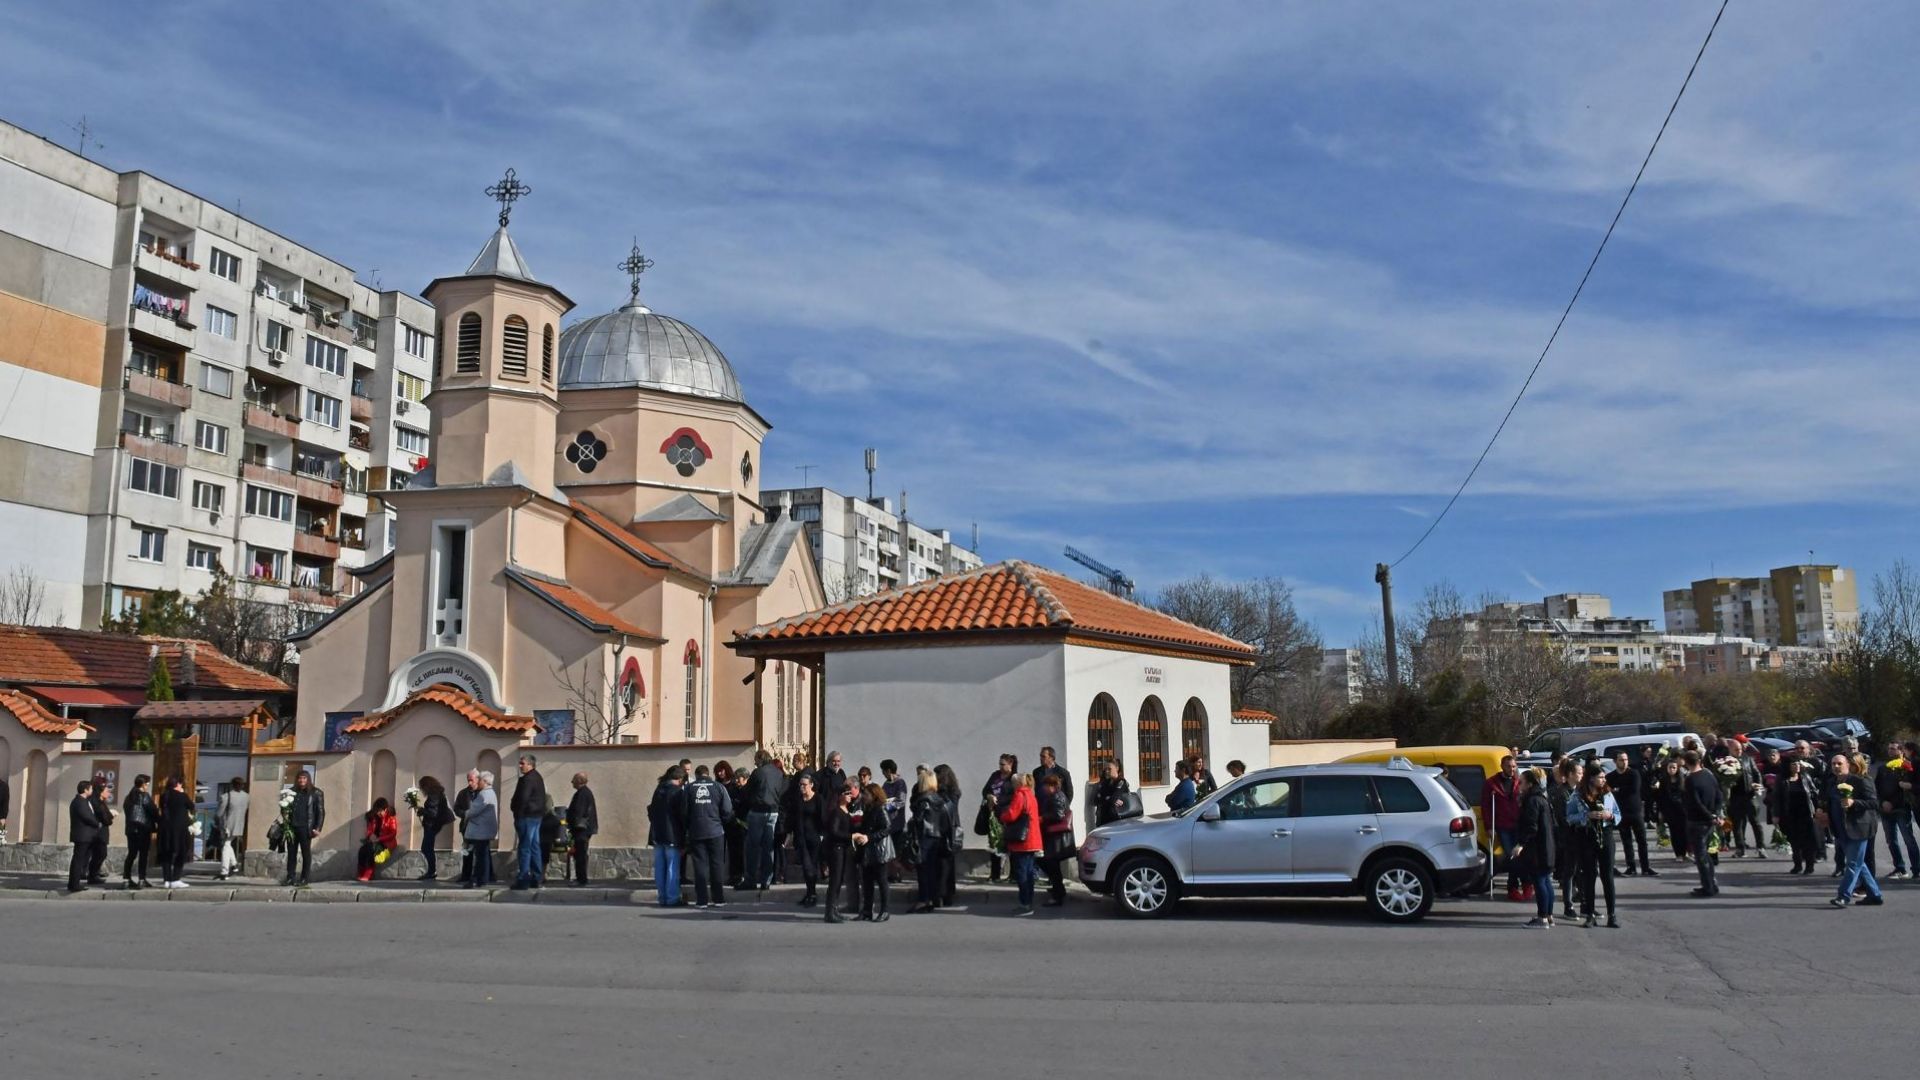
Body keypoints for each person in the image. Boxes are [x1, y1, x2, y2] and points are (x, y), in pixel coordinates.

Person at [1827, 754, 1884, 908]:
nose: (1836, 767)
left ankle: (1843, 896)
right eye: (1833, 764)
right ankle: (1875, 895)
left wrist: (1854, 802)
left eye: (1839, 763)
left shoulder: (1861, 781)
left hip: (1859, 828)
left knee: (1852, 864)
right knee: (1860, 864)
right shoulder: (1832, 782)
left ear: (1848, 765)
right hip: (1840, 830)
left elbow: (1873, 803)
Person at [1568, 770, 1620, 928]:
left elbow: (1618, 814)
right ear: (1591, 779)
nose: (1603, 780)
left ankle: (1612, 915)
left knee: (1607, 876)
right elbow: (1569, 817)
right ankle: (1589, 914)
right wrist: (1587, 815)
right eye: (1600, 777)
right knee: (1589, 877)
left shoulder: (1608, 794)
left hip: (1606, 836)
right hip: (1587, 837)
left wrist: (1610, 816)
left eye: (1604, 777)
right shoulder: (1577, 796)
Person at [680, 764, 732, 909]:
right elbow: (727, 810)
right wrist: (721, 822)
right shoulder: (719, 787)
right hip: (716, 831)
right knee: (716, 865)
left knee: (700, 865)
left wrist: (689, 827)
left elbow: (683, 812)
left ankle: (702, 900)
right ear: (708, 774)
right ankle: (718, 899)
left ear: (696, 775)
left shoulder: (690, 788)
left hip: (697, 832)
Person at [1511, 769, 1556, 928]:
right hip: (1547, 846)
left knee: (1540, 881)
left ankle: (1542, 917)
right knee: (1546, 881)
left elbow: (1531, 826)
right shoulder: (1542, 798)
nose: (1519, 784)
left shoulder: (1532, 801)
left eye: (1521, 781)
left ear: (1530, 783)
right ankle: (1549, 915)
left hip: (1537, 849)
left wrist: (1520, 844)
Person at [910, 770, 955, 913]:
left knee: (922, 870)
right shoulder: (940, 799)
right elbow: (945, 821)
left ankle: (924, 900)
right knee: (932, 870)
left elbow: (918, 820)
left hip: (924, 837)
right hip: (936, 838)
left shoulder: (923, 800)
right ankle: (931, 898)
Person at [999, 772, 1043, 916]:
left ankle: (1025, 904)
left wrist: (1002, 815)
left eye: (1013, 782)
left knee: (1022, 873)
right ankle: (1028, 902)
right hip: (1032, 839)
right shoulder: (1031, 795)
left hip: (1022, 841)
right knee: (1029, 873)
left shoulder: (1019, 795)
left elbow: (1012, 814)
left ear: (1018, 783)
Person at [1482, 755, 1525, 900]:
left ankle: (1523, 883)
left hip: (1518, 825)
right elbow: (1486, 806)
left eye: (1514, 766)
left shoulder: (1519, 782)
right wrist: (1489, 826)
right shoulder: (1491, 783)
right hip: (1502, 825)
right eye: (1509, 766)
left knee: (1519, 856)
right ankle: (1512, 887)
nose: (1512, 769)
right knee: (1512, 855)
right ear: (1502, 766)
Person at [744, 750, 787, 893]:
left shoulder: (758, 772)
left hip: (758, 811)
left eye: (756, 759)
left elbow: (748, 791)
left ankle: (750, 879)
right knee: (768, 849)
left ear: (760, 759)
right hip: (773, 811)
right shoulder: (778, 773)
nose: (755, 762)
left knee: (752, 848)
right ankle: (766, 880)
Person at [1873, 742, 1917, 880]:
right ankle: (1899, 867)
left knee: (1908, 839)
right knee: (1891, 840)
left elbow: (1906, 791)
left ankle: (1916, 868)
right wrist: (1882, 802)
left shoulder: (1908, 766)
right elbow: (1877, 788)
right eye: (1889, 749)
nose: (1890, 751)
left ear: (1901, 750)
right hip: (1885, 809)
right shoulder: (1883, 768)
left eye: (1893, 749)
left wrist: (1893, 802)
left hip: (1901, 808)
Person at [1681, 750, 1722, 898]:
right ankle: (1712, 883)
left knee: (1701, 856)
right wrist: (1716, 814)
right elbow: (1719, 795)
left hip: (1698, 821)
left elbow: (1695, 802)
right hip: (1709, 821)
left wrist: (1710, 816)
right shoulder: (1708, 775)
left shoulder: (1691, 779)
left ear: (1686, 762)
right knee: (1706, 854)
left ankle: (1708, 887)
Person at [852, 783, 893, 921]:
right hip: (867, 851)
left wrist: (869, 837)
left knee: (882, 881)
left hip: (878, 851)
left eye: (867, 794)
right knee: (867, 882)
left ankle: (885, 911)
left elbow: (887, 828)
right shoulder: (868, 809)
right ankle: (866, 911)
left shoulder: (880, 809)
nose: (864, 796)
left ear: (874, 796)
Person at [647, 766, 687, 907]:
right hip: (672, 835)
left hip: (657, 835)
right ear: (680, 778)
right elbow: (682, 816)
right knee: (672, 867)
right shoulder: (677, 792)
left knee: (660, 868)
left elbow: (651, 812)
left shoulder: (658, 790)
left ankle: (662, 897)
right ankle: (672, 898)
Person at [1609, 751, 1654, 877]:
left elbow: (1633, 789)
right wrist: (1617, 790)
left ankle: (1646, 867)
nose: (1624, 762)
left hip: (1635, 812)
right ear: (1615, 761)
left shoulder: (1634, 773)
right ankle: (1631, 867)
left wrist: (1617, 789)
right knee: (1626, 841)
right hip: (1621, 813)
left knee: (1642, 841)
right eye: (1621, 760)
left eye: (1626, 759)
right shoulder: (1611, 777)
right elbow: (1608, 792)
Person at [1548, 759, 1582, 919]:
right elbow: (1564, 818)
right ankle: (1568, 905)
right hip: (1568, 837)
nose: (1582, 775)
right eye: (1578, 772)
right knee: (1569, 872)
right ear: (1570, 774)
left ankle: (1587, 904)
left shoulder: (1582, 790)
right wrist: (1583, 817)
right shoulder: (1561, 793)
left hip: (1584, 837)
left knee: (1584, 872)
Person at [508, 754, 548, 890]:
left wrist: (517, 813)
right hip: (536, 816)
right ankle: (537, 877)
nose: (520, 766)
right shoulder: (538, 777)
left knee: (525, 848)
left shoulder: (527, 779)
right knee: (534, 846)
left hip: (526, 817)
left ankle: (523, 878)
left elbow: (523, 799)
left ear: (530, 765)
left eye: (522, 763)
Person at [1777, 756, 1822, 874]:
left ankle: (1809, 865)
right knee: (1794, 841)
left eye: (1798, 764)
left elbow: (1814, 793)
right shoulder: (1782, 780)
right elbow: (1777, 798)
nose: (1797, 766)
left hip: (1806, 814)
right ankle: (1797, 865)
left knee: (1808, 841)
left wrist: (1818, 809)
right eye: (1793, 764)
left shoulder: (1805, 777)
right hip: (1790, 815)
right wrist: (1775, 815)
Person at [820, 781, 856, 924]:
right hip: (836, 850)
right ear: (840, 796)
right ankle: (829, 912)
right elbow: (834, 832)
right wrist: (851, 836)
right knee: (834, 881)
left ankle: (834, 910)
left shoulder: (846, 810)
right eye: (846, 794)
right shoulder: (837, 811)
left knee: (839, 880)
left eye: (849, 793)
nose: (849, 796)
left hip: (843, 849)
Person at [1038, 771, 1075, 907]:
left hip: (1057, 839)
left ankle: (1057, 895)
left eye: (1046, 785)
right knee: (1052, 867)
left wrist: (1043, 817)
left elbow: (1058, 815)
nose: (1044, 788)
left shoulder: (1056, 797)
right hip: (1056, 839)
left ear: (1052, 785)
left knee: (1050, 865)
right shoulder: (1056, 795)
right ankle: (1058, 889)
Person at [282, 770, 325, 886]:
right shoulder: (291, 792)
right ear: (297, 779)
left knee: (306, 854)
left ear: (308, 779)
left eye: (304, 778)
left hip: (306, 828)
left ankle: (304, 878)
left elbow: (320, 812)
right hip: (292, 827)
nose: (302, 780)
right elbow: (285, 808)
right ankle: (290, 877)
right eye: (300, 778)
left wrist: (318, 828)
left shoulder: (316, 793)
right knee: (291, 853)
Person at [979, 754, 1016, 882]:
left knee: (1010, 844)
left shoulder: (1013, 778)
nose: (1000, 767)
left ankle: (1013, 874)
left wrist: (999, 800)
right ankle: (995, 874)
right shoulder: (995, 775)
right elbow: (985, 790)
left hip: (1007, 814)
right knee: (994, 843)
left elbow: (1014, 796)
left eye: (1003, 764)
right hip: (994, 814)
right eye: (999, 764)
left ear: (1010, 764)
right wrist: (989, 796)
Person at [1727, 746, 1767, 859]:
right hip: (1735, 797)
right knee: (1737, 824)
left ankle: (1761, 848)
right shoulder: (1726, 761)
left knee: (1755, 822)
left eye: (1739, 748)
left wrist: (1758, 784)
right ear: (1730, 750)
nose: (1739, 750)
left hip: (1749, 795)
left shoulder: (1748, 759)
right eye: (1736, 749)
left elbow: (1756, 773)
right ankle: (1740, 848)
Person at [790, 772, 823, 907]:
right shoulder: (798, 799)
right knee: (806, 867)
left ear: (811, 785)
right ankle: (809, 893)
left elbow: (823, 818)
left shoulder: (818, 799)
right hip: (800, 838)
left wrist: (822, 835)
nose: (802, 787)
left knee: (812, 867)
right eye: (800, 784)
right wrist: (790, 835)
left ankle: (813, 894)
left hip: (814, 838)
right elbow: (792, 818)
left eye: (804, 785)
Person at [157, 775, 194, 889]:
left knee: (166, 854)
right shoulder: (181, 796)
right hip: (180, 829)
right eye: (181, 784)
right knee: (181, 853)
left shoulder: (164, 796)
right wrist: (182, 792)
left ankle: (167, 880)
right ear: (177, 784)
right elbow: (191, 806)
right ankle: (176, 878)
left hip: (165, 829)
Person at [121, 774, 156, 889]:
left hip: (131, 829)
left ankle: (126, 879)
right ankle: (142, 879)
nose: (147, 786)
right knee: (143, 854)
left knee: (131, 854)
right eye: (147, 784)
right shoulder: (145, 796)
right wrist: (160, 821)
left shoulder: (128, 797)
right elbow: (153, 811)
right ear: (143, 784)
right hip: (143, 829)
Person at [464, 771, 498, 888]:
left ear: (485, 782)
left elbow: (474, 811)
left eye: (480, 780)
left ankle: (478, 879)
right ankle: (485, 878)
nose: (478, 782)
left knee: (480, 857)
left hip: (480, 830)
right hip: (485, 829)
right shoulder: (490, 793)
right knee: (484, 855)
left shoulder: (484, 794)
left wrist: (466, 813)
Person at [935, 764, 963, 907]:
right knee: (947, 864)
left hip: (947, 829)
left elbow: (947, 806)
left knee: (944, 865)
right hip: (950, 828)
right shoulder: (954, 791)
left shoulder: (949, 792)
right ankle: (947, 894)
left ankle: (943, 894)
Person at [1652, 757, 1690, 862]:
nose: (1672, 769)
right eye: (1670, 767)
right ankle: (1678, 854)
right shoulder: (1663, 781)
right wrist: (1660, 812)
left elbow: (1686, 795)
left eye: (1674, 767)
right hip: (1670, 810)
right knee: (1674, 833)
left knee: (1684, 832)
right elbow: (1660, 798)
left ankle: (1685, 852)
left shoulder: (1682, 780)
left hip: (1682, 810)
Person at [416, 776, 452, 881]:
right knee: (427, 848)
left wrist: (423, 811)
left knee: (426, 848)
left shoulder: (434, 795)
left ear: (426, 786)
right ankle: (431, 871)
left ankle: (432, 871)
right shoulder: (437, 794)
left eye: (422, 787)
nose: (421, 789)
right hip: (433, 824)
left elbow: (433, 812)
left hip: (432, 825)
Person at [880, 759, 909, 885]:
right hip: (887, 823)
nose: (883, 774)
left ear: (888, 770)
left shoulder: (900, 783)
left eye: (883, 771)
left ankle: (897, 873)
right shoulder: (886, 784)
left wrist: (886, 806)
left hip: (897, 822)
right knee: (888, 849)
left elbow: (900, 801)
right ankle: (890, 873)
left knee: (897, 850)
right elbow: (881, 798)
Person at [566, 772, 597, 887]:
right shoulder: (583, 793)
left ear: (579, 781)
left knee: (580, 854)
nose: (572, 782)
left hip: (581, 829)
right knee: (580, 854)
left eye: (574, 779)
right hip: (583, 828)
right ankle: (581, 878)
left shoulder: (582, 794)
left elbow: (578, 811)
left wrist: (572, 822)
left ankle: (581, 879)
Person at [67, 780, 99, 893]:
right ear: (85, 790)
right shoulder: (80, 802)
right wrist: (97, 823)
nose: (92, 790)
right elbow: (87, 817)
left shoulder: (81, 801)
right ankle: (74, 884)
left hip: (84, 835)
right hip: (82, 836)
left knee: (79, 859)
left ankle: (73, 883)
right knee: (78, 860)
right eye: (90, 788)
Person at [356, 798, 398, 882]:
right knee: (362, 850)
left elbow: (393, 833)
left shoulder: (391, 818)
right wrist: (370, 835)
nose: (378, 814)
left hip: (386, 844)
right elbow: (370, 829)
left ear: (385, 809)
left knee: (371, 850)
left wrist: (379, 839)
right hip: (375, 842)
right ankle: (361, 872)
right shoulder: (374, 818)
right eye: (377, 811)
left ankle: (368, 874)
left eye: (380, 811)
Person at [215, 779, 248, 881]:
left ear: (232, 785)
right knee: (228, 844)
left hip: (227, 825)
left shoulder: (226, 796)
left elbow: (219, 813)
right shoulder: (246, 796)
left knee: (225, 846)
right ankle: (234, 865)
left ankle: (224, 871)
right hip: (239, 824)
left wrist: (217, 821)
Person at [452, 769, 478, 884]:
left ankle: (477, 875)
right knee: (467, 852)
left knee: (479, 853)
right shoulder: (463, 793)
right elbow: (456, 808)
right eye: (468, 780)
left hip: (479, 827)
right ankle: (465, 875)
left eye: (471, 780)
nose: (469, 783)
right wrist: (464, 814)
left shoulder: (482, 792)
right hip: (466, 827)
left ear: (477, 779)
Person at [86, 780, 113, 885]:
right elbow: (106, 819)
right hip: (97, 833)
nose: (109, 793)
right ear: (101, 791)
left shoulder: (101, 802)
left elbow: (108, 817)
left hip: (102, 833)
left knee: (101, 854)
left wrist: (109, 817)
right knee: (100, 853)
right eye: (107, 790)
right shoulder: (96, 802)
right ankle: (92, 875)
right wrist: (109, 817)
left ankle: (93, 875)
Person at [1092, 760, 1132, 826]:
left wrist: (1105, 798)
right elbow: (1096, 800)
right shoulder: (1105, 782)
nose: (1106, 771)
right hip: (1103, 819)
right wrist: (1108, 798)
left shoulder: (1121, 782)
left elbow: (1112, 799)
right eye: (1105, 769)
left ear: (1117, 768)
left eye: (1109, 769)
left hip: (1116, 820)